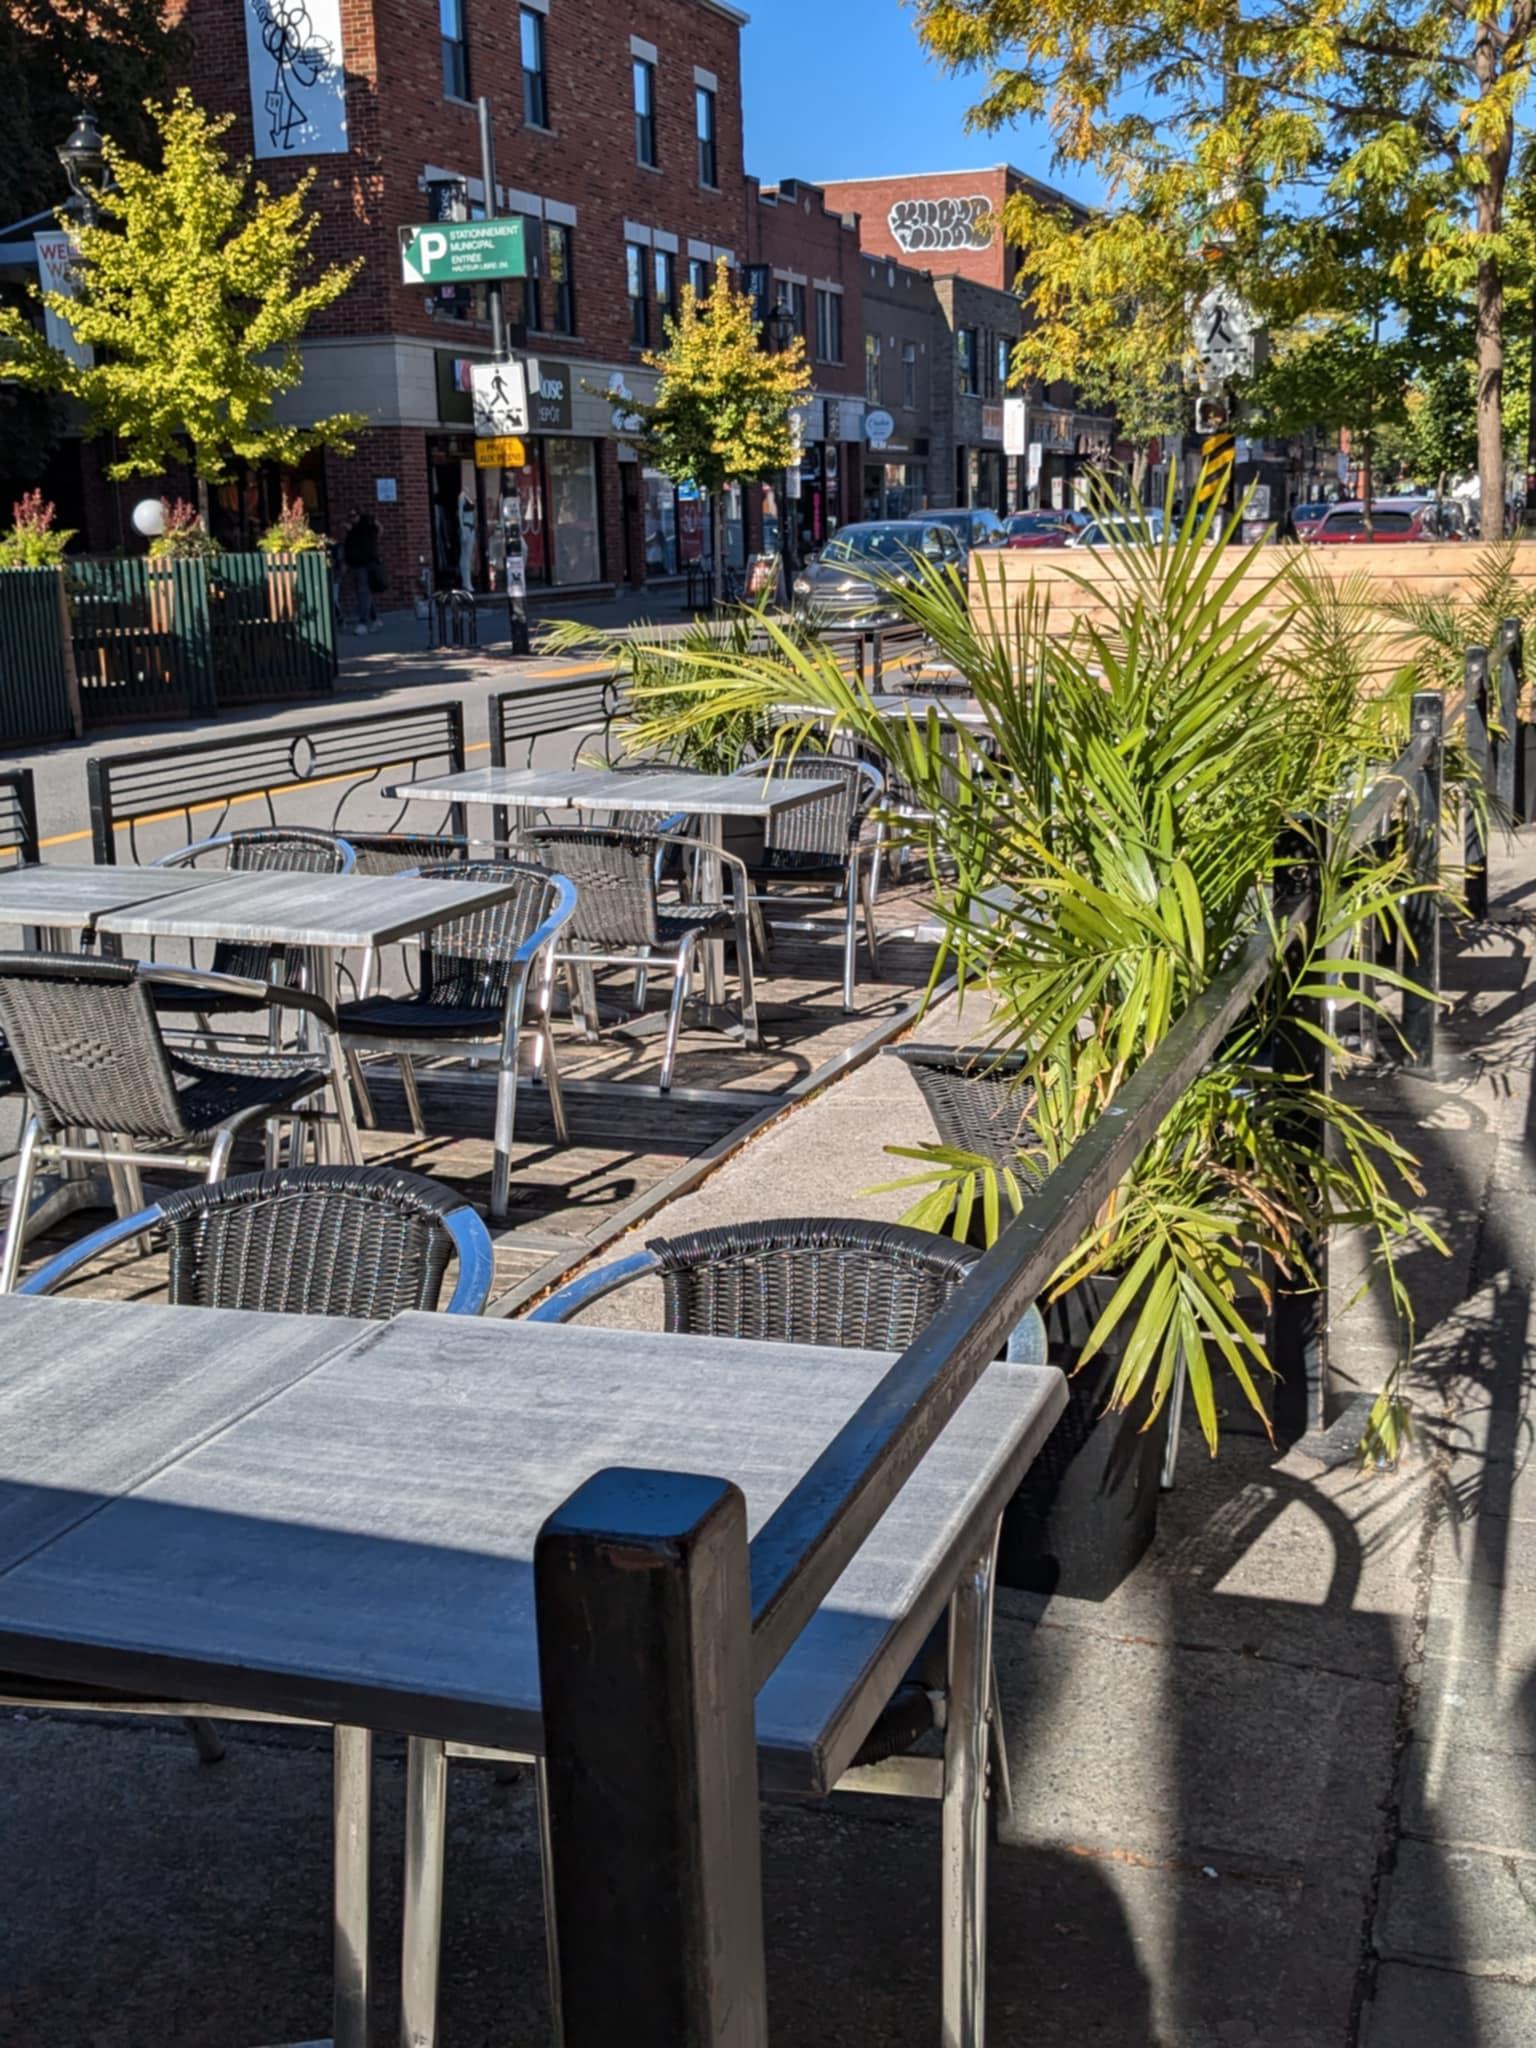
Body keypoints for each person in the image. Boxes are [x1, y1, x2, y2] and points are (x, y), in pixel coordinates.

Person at [342, 509, 382, 634]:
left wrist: (351, 531)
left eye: (353, 516)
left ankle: (363, 622)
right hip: (356, 565)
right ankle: (375, 618)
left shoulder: (363, 529)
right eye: (350, 516)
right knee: (364, 593)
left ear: (359, 516)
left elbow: (377, 532)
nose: (351, 519)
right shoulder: (357, 530)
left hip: (364, 565)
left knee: (363, 593)